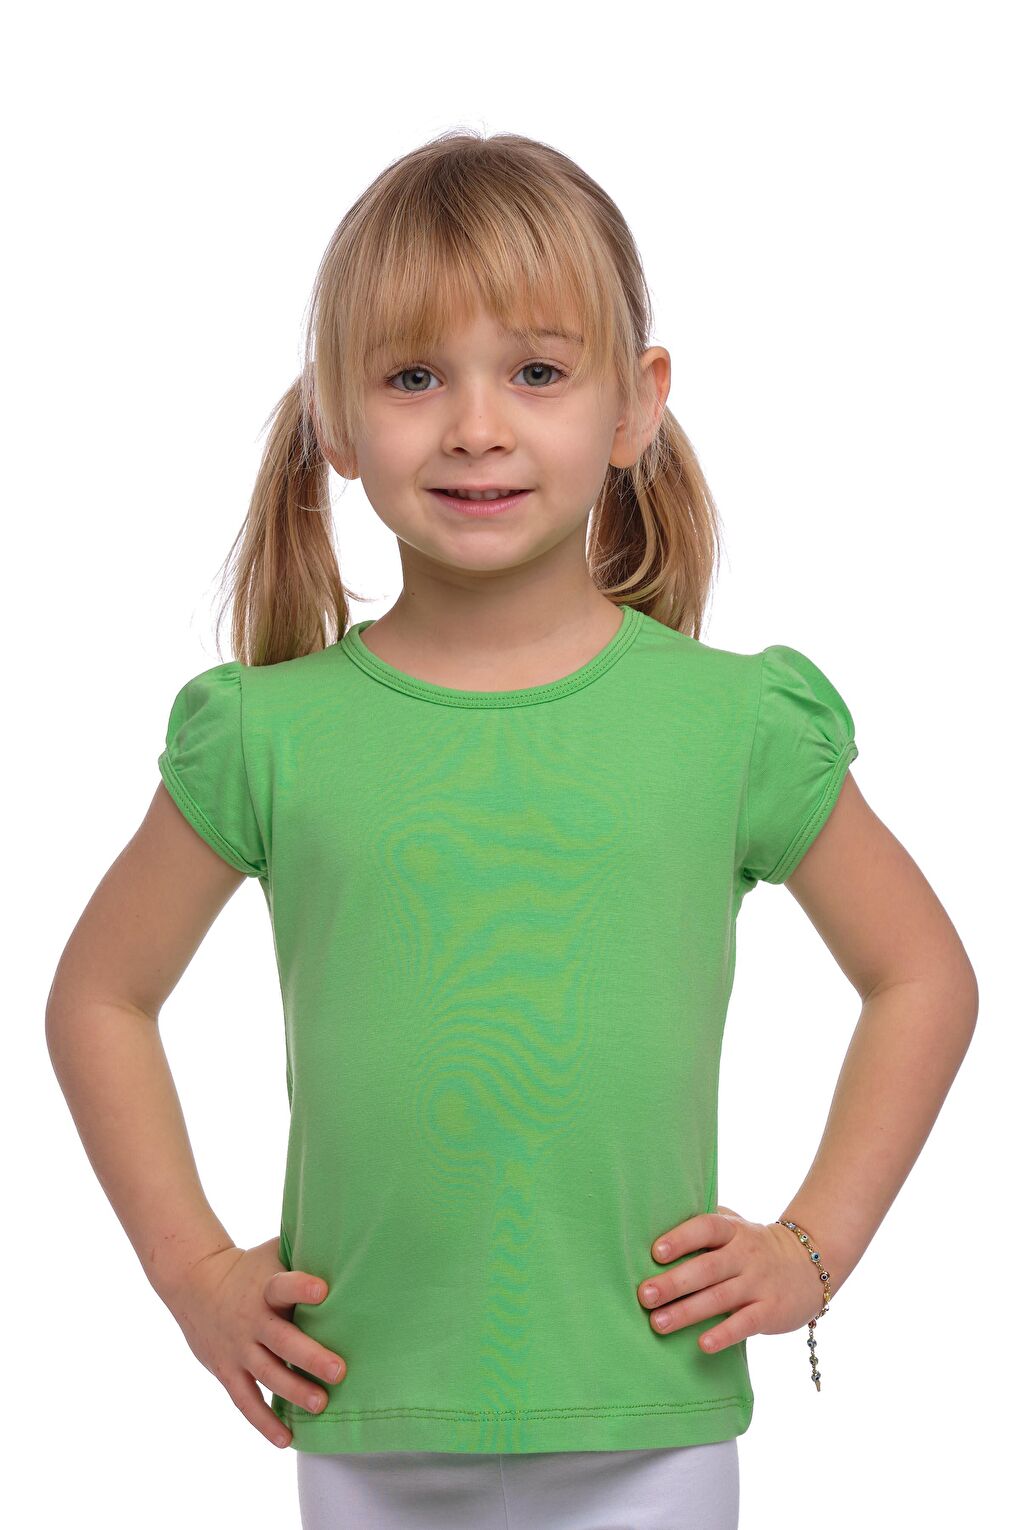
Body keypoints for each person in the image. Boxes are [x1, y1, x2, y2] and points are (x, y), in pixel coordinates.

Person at [46, 129, 979, 1530]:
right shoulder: (265, 732)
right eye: (414, 376)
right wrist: (192, 1274)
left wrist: (812, 1246)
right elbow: (99, 997)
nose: (476, 425)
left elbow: (922, 975)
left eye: (537, 372)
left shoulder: (735, 723)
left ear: (634, 404)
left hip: (648, 1423)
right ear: (336, 419)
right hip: (364, 1417)